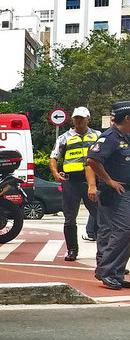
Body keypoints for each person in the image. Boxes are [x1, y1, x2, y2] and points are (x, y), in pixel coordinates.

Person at [85, 101, 130, 290]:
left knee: (126, 232)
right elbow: (92, 160)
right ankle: (106, 270)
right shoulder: (110, 137)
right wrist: (109, 181)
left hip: (126, 191)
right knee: (122, 231)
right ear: (127, 118)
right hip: (115, 192)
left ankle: (116, 273)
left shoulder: (125, 136)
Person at [50, 107, 100, 260]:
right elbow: (54, 157)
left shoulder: (97, 136)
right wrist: (56, 173)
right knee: (70, 218)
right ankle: (72, 250)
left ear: (88, 119)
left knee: (101, 217)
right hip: (71, 182)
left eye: (82, 118)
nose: (79, 121)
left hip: (92, 182)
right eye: (76, 118)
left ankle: (104, 253)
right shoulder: (64, 137)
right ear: (72, 120)